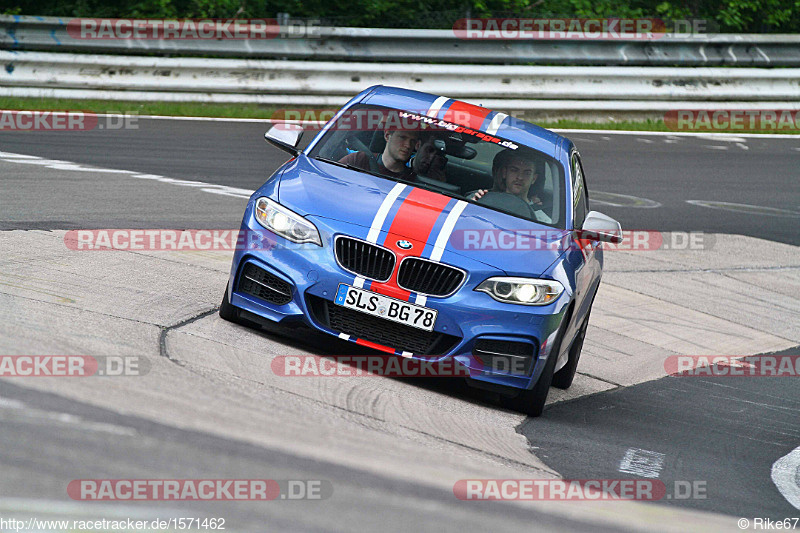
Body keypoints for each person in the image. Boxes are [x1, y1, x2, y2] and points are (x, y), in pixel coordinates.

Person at [471, 148, 551, 222]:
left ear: (534, 178)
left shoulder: (541, 219)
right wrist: (472, 204)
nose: (520, 177)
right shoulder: (483, 199)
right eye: (514, 170)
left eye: (527, 173)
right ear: (504, 173)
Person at [339, 127, 419, 180]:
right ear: (387, 136)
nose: (408, 145)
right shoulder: (359, 160)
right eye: (402, 137)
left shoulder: (411, 178)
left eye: (412, 141)